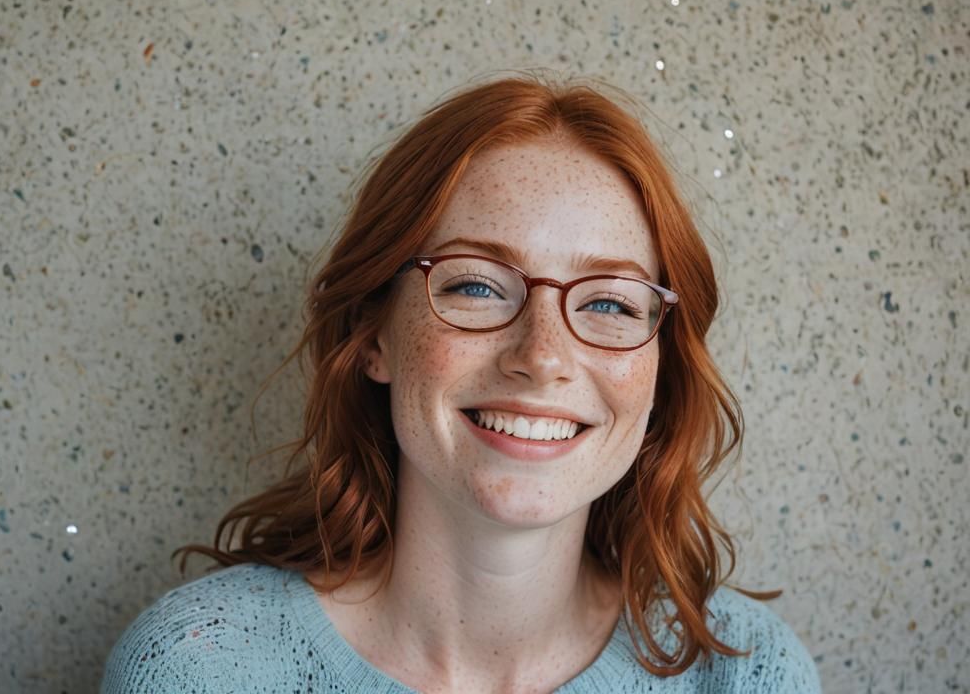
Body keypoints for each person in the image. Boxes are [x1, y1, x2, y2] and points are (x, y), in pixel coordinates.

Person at [101, 75, 820, 693]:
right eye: (477, 285)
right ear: (373, 333)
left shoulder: (746, 675)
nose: (543, 357)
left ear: (659, 368)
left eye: (609, 302)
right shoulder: (206, 669)